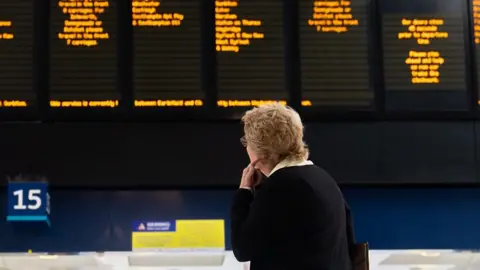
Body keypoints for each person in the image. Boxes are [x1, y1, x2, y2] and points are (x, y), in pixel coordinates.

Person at [230, 103, 352, 270]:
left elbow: (242, 249)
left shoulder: (280, 187)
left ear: (261, 150)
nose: (246, 147)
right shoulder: (323, 178)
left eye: (247, 141)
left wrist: (244, 192)